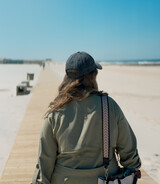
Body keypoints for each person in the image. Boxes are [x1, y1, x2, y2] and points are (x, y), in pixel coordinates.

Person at [31, 51, 141, 184]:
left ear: (67, 76)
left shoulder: (54, 112)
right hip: (105, 178)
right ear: (93, 75)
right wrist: (132, 168)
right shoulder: (108, 105)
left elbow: (44, 164)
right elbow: (128, 151)